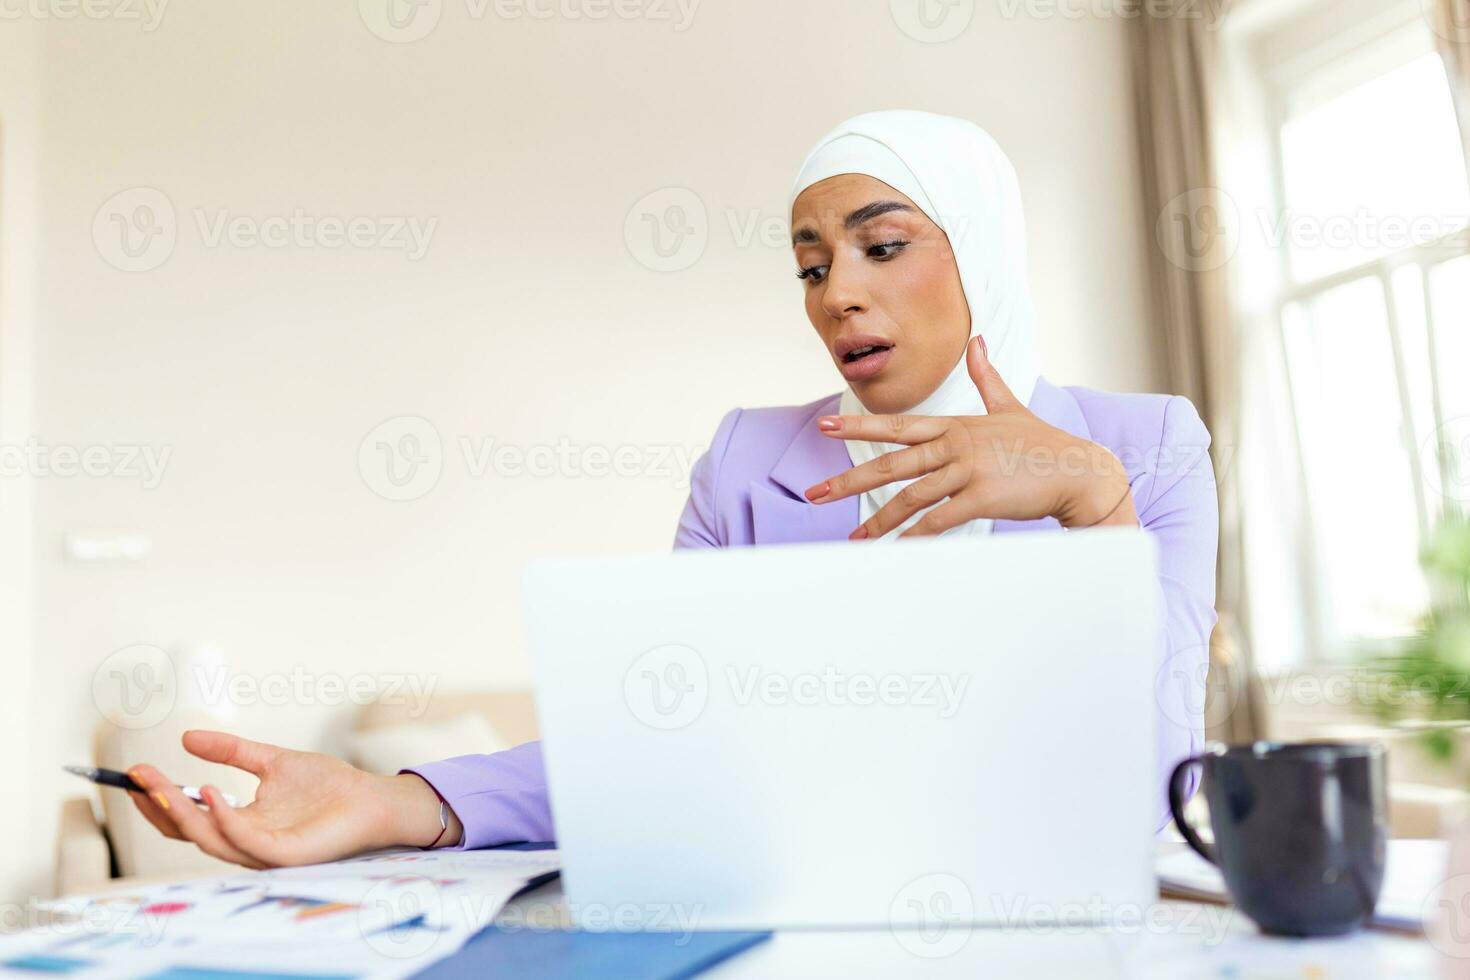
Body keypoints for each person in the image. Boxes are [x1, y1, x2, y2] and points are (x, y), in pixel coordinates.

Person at [126, 110, 1218, 870]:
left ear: (984, 248)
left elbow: (1156, 792)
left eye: (882, 243)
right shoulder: (748, 464)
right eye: (810, 263)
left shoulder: (1143, 447)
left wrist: (1092, 507)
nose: (838, 291)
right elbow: (665, 740)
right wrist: (401, 799)